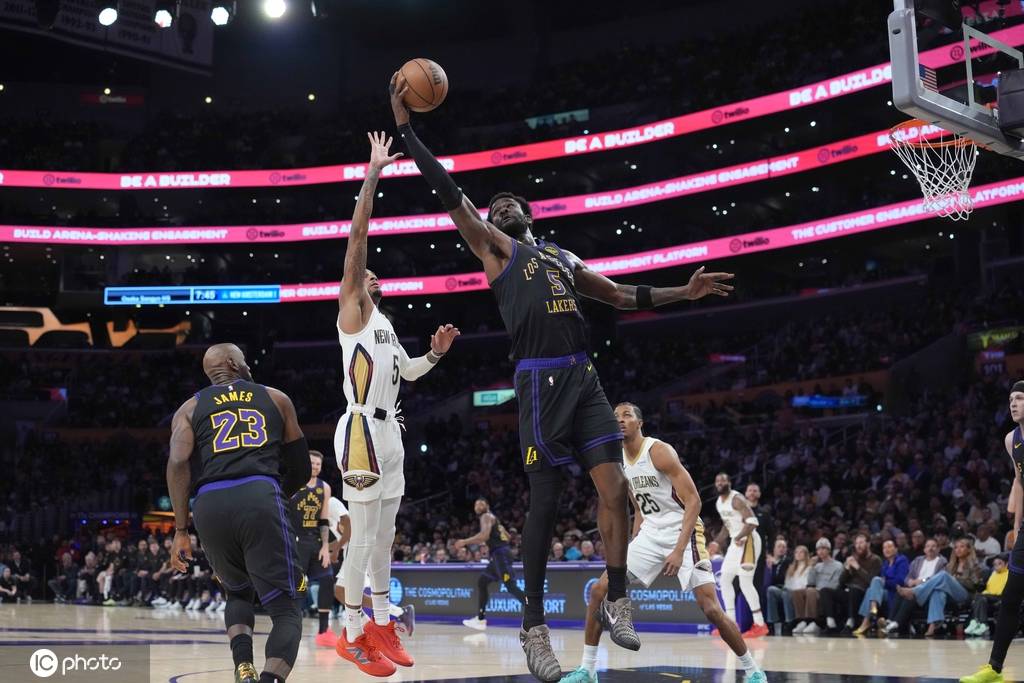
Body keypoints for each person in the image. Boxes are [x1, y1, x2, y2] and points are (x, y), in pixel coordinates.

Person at [389, 72, 734, 683]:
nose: (501, 208)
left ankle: (619, 596)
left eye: (510, 204)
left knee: (615, 490)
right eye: (493, 208)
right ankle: (533, 627)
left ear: (529, 214)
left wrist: (684, 291)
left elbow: (620, 294)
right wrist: (407, 132)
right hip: (539, 382)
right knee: (544, 505)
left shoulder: (562, 257)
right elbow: (450, 193)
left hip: (584, 376)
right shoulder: (496, 250)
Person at [334, 131, 459, 677]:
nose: (371, 272)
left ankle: (382, 621)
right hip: (361, 431)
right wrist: (373, 173)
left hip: (391, 432)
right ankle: (350, 633)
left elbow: (408, 372)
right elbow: (358, 238)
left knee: (385, 536)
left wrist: (434, 355)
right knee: (362, 539)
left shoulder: (383, 323)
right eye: (364, 272)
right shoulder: (353, 308)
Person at [559, 404, 765, 683]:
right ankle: (587, 670)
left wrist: (678, 550)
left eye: (627, 416)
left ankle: (753, 671)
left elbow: (694, 501)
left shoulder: (658, 451)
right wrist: (633, 545)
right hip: (650, 533)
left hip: (684, 531)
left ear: (640, 422)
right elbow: (638, 508)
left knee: (710, 608)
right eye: (616, 417)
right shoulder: (618, 460)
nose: (620, 420)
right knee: (598, 590)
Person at [166, 343, 311, 683]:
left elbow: (177, 464)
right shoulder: (276, 397)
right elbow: (302, 469)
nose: (248, 365)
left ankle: (243, 667)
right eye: (244, 360)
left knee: (236, 591)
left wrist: (181, 531)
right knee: (286, 607)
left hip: (209, 503)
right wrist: (273, 496)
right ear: (233, 362)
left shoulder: (189, 408)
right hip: (259, 492)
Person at [288, 450, 336, 647]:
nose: (315, 466)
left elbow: (324, 520)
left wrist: (325, 546)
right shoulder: (292, 483)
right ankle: (290, 628)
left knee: (327, 579)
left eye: (318, 464)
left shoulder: (324, 487)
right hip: (295, 540)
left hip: (315, 542)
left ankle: (323, 631)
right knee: (296, 586)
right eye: (312, 463)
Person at [457, 498, 527, 631]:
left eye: (481, 503)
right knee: (482, 581)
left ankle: (535, 609)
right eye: (476, 504)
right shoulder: (495, 519)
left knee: (510, 586)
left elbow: (484, 536)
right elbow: (508, 537)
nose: (478, 506)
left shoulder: (486, 516)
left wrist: (464, 542)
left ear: (487, 506)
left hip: (501, 555)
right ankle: (480, 619)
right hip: (499, 555)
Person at [714, 473, 768, 637]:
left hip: (749, 541)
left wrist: (739, 536)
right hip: (736, 542)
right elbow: (727, 526)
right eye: (718, 481)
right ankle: (731, 623)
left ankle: (760, 624)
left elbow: (753, 522)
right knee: (724, 580)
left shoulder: (736, 499)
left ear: (729, 483)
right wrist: (717, 542)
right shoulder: (719, 502)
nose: (720, 483)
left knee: (745, 583)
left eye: (723, 480)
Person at [897, 537, 982, 637]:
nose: (958, 549)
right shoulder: (950, 565)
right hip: (950, 596)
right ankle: (933, 625)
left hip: (965, 595)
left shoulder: (974, 565)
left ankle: (914, 591)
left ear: (969, 549)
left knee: (943, 575)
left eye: (962, 547)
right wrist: (951, 580)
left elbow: (975, 584)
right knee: (938, 591)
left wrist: (955, 580)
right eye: (956, 547)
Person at [854, 539, 909, 635]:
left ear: (896, 549)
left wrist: (885, 582)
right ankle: (870, 614)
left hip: (896, 592)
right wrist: (883, 582)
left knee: (876, 580)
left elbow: (901, 581)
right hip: (884, 593)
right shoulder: (885, 564)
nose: (886, 549)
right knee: (870, 590)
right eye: (884, 548)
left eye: (889, 547)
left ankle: (868, 618)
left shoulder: (902, 560)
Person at [797, 538, 842, 635]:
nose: (820, 551)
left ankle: (812, 621)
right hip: (815, 590)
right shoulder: (817, 566)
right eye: (818, 549)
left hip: (828, 592)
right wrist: (811, 567)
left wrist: (818, 589)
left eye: (823, 548)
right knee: (798, 592)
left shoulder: (838, 565)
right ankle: (801, 621)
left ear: (829, 550)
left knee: (811, 591)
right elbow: (810, 582)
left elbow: (835, 584)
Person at [838, 534, 882, 632]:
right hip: (849, 589)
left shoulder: (876, 560)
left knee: (854, 590)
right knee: (826, 591)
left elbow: (872, 581)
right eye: (856, 543)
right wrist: (847, 568)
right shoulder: (854, 558)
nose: (858, 546)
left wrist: (857, 567)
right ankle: (830, 623)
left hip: (864, 591)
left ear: (868, 544)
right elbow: (841, 582)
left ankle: (851, 621)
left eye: (861, 543)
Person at [966, 554, 1009, 638]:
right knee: (981, 599)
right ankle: (982, 624)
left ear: (1006, 564)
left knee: (980, 596)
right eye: (995, 564)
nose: (996, 566)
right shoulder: (992, 574)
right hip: (989, 596)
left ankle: (975, 620)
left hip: (1000, 597)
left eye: (999, 563)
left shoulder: (1009, 574)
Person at [765, 539, 793, 634]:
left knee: (782, 592)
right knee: (770, 590)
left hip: (786, 587)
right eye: (779, 546)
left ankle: (788, 623)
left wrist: (775, 565)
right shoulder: (768, 561)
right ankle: (771, 623)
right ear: (774, 549)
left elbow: (781, 577)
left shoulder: (788, 561)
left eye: (783, 547)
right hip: (775, 588)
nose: (781, 549)